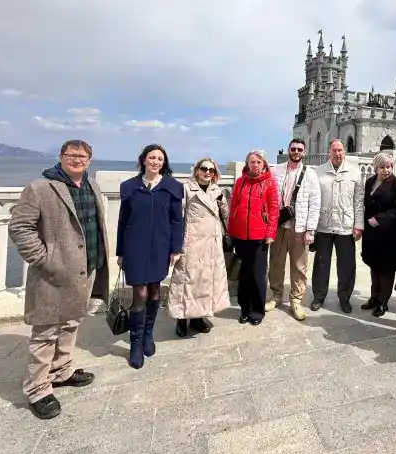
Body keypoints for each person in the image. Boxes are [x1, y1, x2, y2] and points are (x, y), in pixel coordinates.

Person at [8, 139, 109, 420]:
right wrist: (44, 260)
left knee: (71, 322)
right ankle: (38, 388)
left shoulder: (92, 186)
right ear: (61, 156)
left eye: (82, 156)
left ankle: (61, 370)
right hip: (53, 274)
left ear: (90, 160)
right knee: (46, 330)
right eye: (71, 155)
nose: (77, 160)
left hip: (86, 269)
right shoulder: (40, 188)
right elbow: (20, 227)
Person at [116, 144, 184, 369]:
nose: (155, 161)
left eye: (160, 159)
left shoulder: (173, 188)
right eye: (152, 157)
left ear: (164, 163)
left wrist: (175, 248)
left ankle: (148, 334)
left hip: (160, 246)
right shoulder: (129, 187)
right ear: (144, 160)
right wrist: (120, 252)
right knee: (140, 294)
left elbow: (177, 221)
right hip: (134, 246)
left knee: (154, 290)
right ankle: (135, 342)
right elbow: (122, 222)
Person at [166, 157, 230, 337]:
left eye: (211, 170)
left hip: (212, 245)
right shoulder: (186, 189)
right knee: (187, 282)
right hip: (192, 244)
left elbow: (225, 216)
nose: (207, 172)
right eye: (204, 169)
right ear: (197, 170)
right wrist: (176, 244)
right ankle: (181, 318)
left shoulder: (217, 190)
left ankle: (198, 317)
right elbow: (177, 217)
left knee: (205, 283)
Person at [267, 138, 321, 321]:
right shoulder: (276, 170)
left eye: (299, 149)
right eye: (293, 149)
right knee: (276, 263)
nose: (296, 152)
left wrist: (311, 230)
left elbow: (315, 203)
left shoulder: (310, 174)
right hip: (279, 226)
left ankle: (295, 300)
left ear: (304, 152)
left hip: (300, 227)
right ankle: (276, 296)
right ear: (288, 150)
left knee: (299, 266)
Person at [311, 140, 364, 313]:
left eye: (340, 150)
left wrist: (359, 225)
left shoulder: (355, 172)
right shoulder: (318, 172)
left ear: (344, 152)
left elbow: (358, 201)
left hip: (346, 226)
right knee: (321, 264)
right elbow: (313, 200)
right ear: (329, 152)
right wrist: (311, 226)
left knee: (346, 266)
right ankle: (319, 296)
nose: (337, 153)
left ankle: (345, 298)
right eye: (334, 150)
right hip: (323, 226)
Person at [228, 150, 279, 326]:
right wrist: (231, 232)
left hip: (260, 237)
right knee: (244, 274)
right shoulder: (240, 182)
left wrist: (270, 233)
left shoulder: (269, 182)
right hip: (241, 235)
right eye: (252, 162)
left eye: (258, 162)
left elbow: (274, 209)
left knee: (257, 275)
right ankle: (244, 309)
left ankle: (257, 310)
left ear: (263, 164)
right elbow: (233, 207)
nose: (255, 165)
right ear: (247, 164)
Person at [360, 152, 396, 317]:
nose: (386, 170)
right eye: (382, 167)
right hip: (371, 233)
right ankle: (374, 298)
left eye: (388, 167)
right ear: (376, 168)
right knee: (374, 265)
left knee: (386, 269)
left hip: (388, 234)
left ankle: (383, 302)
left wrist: (379, 219)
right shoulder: (369, 182)